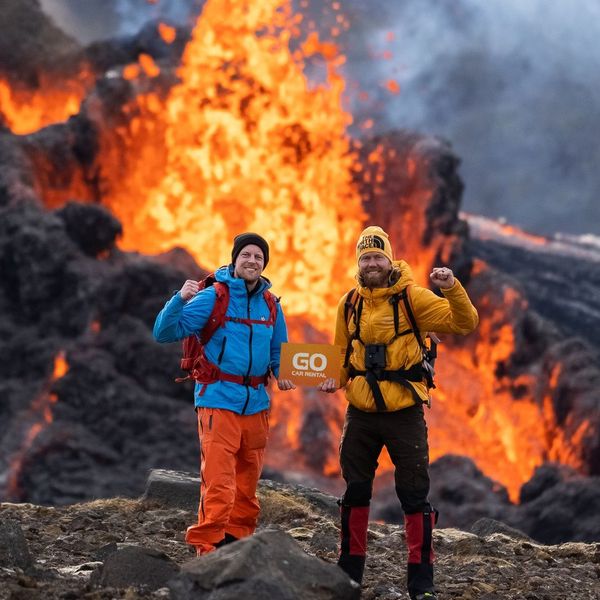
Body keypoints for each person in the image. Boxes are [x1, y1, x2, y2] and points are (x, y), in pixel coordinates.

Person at [319, 225, 479, 600]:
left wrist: (451, 287)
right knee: (355, 490)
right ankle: (349, 575)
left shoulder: (413, 298)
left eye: (377, 256)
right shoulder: (349, 303)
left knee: (413, 494)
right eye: (365, 257)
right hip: (360, 412)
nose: (372, 263)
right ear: (358, 263)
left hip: (404, 412)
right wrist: (334, 379)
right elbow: (342, 355)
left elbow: (464, 322)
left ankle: (421, 585)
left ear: (389, 259)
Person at [153, 232, 295, 556]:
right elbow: (164, 332)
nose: (252, 261)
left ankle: (237, 550)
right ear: (235, 259)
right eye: (246, 255)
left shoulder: (271, 305)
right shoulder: (214, 296)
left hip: (256, 403)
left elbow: (279, 352)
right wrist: (179, 298)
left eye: (258, 257)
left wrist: (283, 373)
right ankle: (207, 550)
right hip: (218, 399)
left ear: (264, 264)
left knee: (247, 487)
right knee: (218, 483)